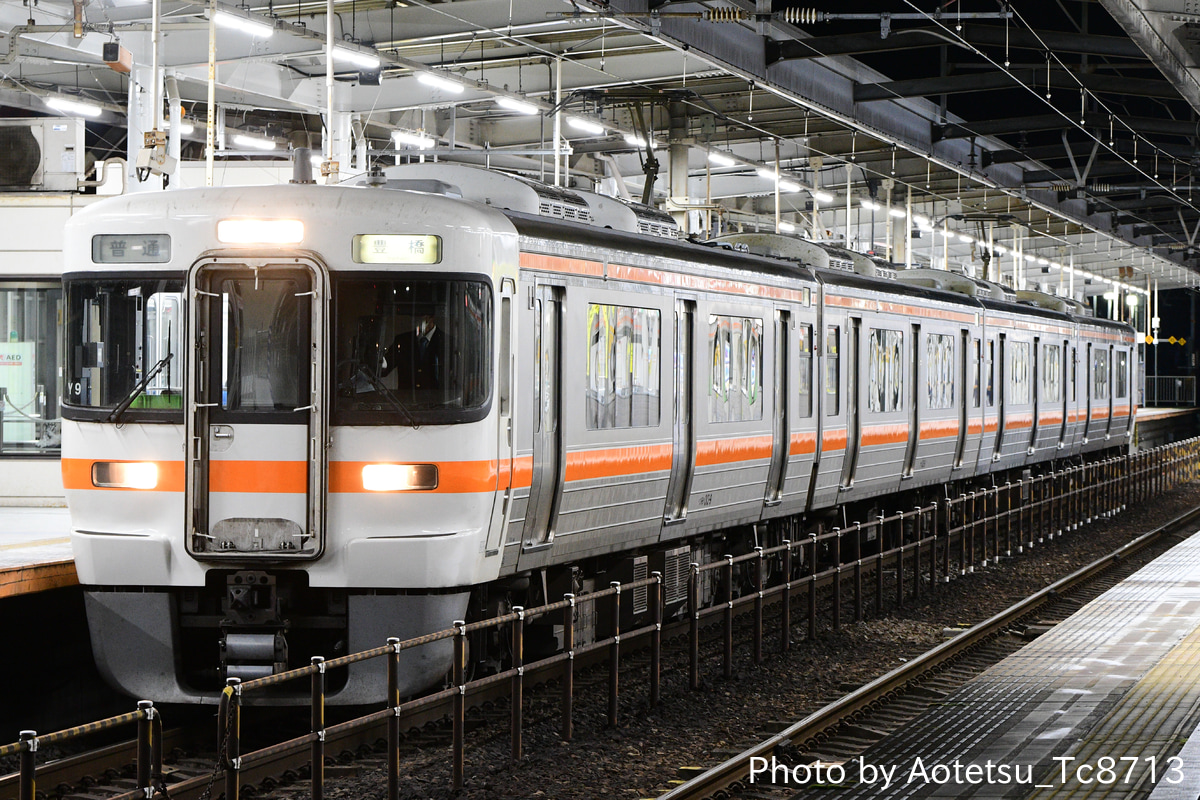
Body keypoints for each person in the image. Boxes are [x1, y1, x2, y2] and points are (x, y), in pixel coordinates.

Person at [381, 310, 444, 392]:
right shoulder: (402, 340)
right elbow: (384, 367)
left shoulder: (447, 342)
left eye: (420, 315)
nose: (415, 319)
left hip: (437, 402)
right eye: (413, 316)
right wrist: (377, 358)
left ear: (431, 317)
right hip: (405, 402)